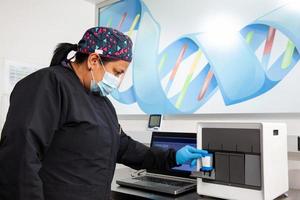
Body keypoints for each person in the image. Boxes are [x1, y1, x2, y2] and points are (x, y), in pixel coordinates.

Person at [0, 27, 208, 200]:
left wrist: (172, 157)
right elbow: (20, 155)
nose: (119, 81)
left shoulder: (102, 102)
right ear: (93, 60)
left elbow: (123, 147)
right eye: (118, 72)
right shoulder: (49, 84)